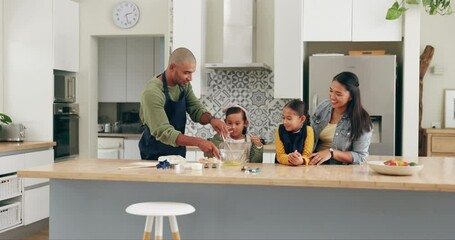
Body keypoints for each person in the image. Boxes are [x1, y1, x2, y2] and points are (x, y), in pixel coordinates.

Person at [139, 47, 229, 160]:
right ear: (172, 67)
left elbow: (195, 108)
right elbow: (164, 132)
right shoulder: (152, 92)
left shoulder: (183, 85)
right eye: (186, 73)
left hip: (178, 154)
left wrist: (212, 120)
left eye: (192, 73)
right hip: (153, 156)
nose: (190, 78)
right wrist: (198, 142)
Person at [309, 71, 373, 165]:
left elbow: (360, 156)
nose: (332, 97)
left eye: (338, 94)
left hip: (339, 170)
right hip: (313, 166)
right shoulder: (323, 107)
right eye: (331, 91)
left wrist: (332, 153)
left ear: (351, 97)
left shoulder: (362, 121)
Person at [275, 99, 314, 166]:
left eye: (289, 119)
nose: (285, 122)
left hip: (302, 171)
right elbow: (280, 155)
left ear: (302, 119)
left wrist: (301, 160)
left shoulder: (308, 131)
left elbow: (307, 155)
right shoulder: (279, 129)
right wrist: (290, 158)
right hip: (282, 170)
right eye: (283, 118)